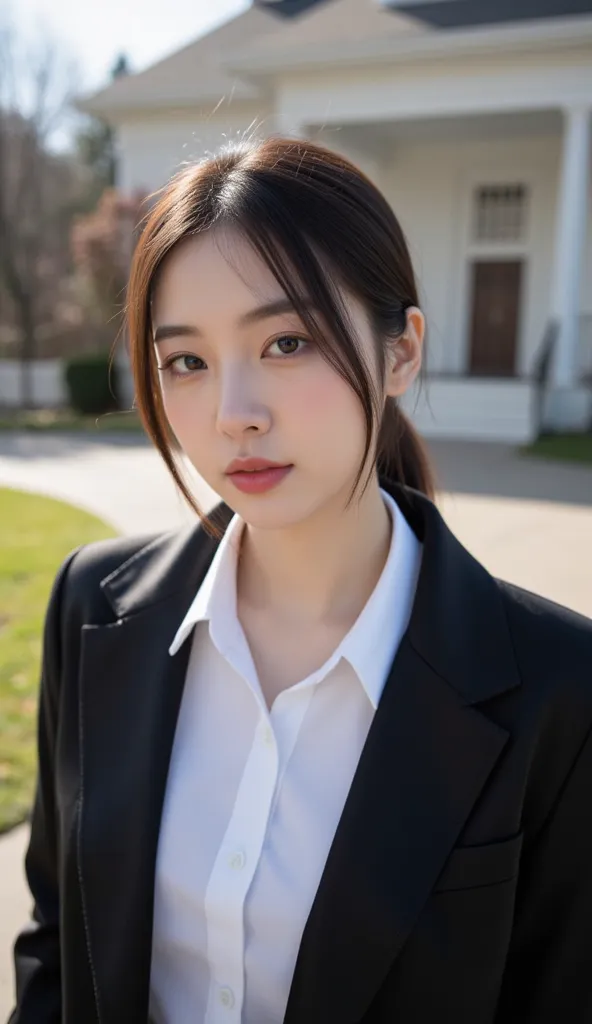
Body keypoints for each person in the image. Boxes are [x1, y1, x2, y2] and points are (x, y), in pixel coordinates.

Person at [9, 137, 592, 1024]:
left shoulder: (561, 689)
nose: (233, 413)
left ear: (401, 353)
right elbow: (59, 939)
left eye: (286, 341)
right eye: (186, 362)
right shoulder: (94, 608)